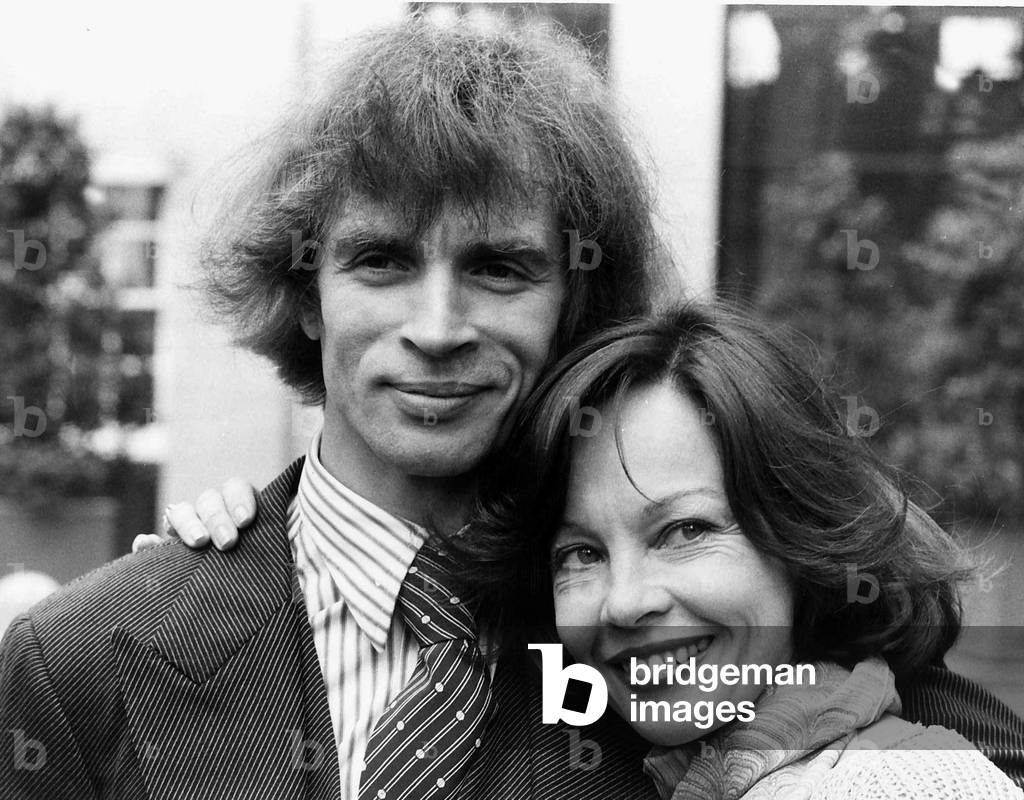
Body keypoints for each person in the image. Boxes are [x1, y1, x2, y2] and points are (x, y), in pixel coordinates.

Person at [0, 15, 664, 800]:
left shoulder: (657, 643)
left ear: (573, 305)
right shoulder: (80, 659)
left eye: (497, 268)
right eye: (382, 260)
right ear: (305, 295)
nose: (437, 328)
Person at [458, 301, 1023, 797]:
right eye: (581, 554)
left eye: (686, 530)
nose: (624, 603)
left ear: (801, 535)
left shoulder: (907, 782)